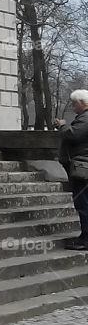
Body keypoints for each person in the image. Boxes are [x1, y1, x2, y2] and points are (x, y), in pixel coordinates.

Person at [55, 90, 88, 251]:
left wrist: (62, 125)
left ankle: (86, 240)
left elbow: (73, 135)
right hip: (82, 167)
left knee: (83, 204)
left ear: (82, 102)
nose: (73, 107)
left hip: (83, 168)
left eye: (74, 103)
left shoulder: (85, 119)